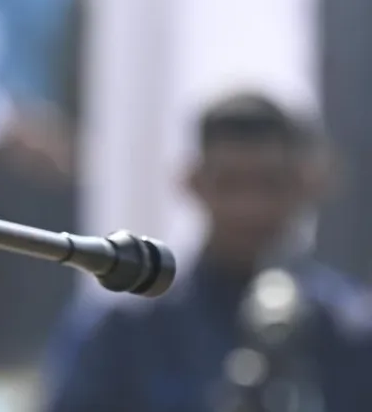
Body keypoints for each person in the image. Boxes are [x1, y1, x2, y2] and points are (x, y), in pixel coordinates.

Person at [43, 92, 372, 412]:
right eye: (230, 184)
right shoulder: (124, 331)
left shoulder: (351, 330)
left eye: (269, 184)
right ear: (193, 182)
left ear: (306, 185)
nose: (248, 208)